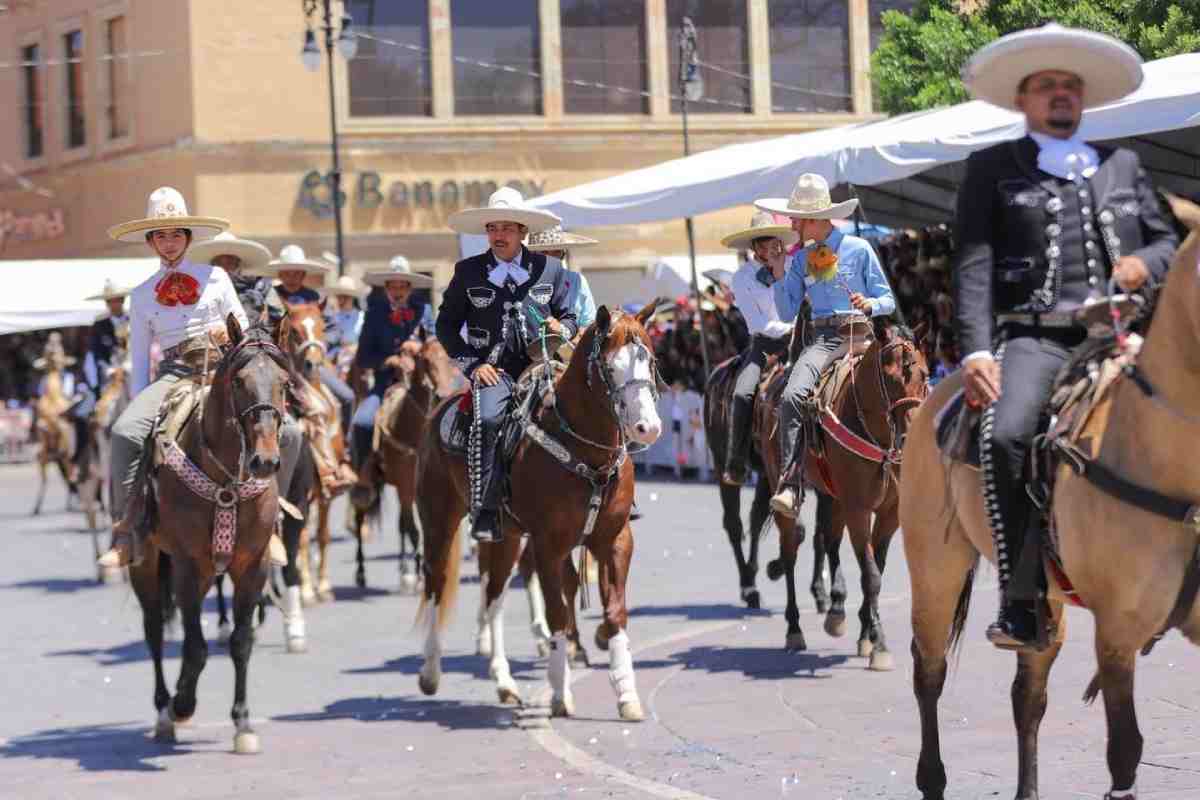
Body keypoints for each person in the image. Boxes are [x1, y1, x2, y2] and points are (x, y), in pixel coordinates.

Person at [954, 24, 1178, 649]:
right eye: (1047, 85)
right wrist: (976, 350)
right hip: (1039, 339)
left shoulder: (1122, 165)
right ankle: (1022, 601)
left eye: (1070, 86)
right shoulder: (990, 169)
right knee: (1008, 435)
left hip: (1124, 335)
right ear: (1023, 100)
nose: (1061, 94)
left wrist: (1143, 264)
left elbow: (1169, 241)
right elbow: (972, 264)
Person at [97, 187, 285, 568]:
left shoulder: (216, 277)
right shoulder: (142, 294)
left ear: (188, 237)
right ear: (151, 241)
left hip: (224, 370)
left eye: (176, 234)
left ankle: (274, 524)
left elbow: (245, 331)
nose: (169, 243)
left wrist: (226, 335)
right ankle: (127, 529)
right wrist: (139, 403)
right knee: (124, 432)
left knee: (291, 431)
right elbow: (139, 358)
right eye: (161, 235)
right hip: (174, 374)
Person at [437, 187, 575, 543]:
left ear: (522, 231)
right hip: (493, 371)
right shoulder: (468, 271)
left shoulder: (550, 269)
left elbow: (570, 317)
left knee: (589, 404)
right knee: (487, 419)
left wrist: (563, 327)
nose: (498, 235)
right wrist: (472, 366)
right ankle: (486, 510)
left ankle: (606, 492)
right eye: (492, 228)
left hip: (542, 367)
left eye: (506, 228)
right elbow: (446, 326)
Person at [756, 173, 897, 518]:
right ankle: (791, 484)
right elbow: (787, 312)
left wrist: (871, 304)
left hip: (862, 336)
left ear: (814, 220)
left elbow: (888, 300)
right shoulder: (800, 260)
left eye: (797, 218)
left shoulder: (859, 249)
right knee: (791, 396)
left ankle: (911, 466)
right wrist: (779, 272)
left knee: (903, 388)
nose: (792, 224)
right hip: (823, 340)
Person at [187, 229, 308, 506]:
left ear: (239, 263)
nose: (226, 266)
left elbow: (278, 328)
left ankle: (278, 502)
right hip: (204, 368)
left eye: (231, 261)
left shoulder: (262, 291)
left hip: (254, 368)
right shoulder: (194, 292)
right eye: (220, 261)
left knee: (292, 433)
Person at [716, 211, 799, 485]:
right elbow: (757, 322)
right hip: (766, 345)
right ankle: (736, 463)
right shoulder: (742, 277)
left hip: (801, 339)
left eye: (774, 241)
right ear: (754, 247)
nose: (771, 248)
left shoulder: (794, 265)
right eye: (763, 243)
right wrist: (790, 328)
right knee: (743, 393)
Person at [249, 245, 356, 435]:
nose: (292, 277)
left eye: (296, 273)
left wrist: (317, 344)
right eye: (287, 273)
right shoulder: (270, 296)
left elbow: (332, 329)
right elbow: (261, 325)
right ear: (280, 274)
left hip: (310, 361)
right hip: (277, 361)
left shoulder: (315, 297)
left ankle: (345, 443)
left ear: (303, 274)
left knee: (347, 397)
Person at [351, 256, 434, 468]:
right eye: (393, 286)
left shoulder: (424, 310)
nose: (398, 291)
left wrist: (420, 347)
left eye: (402, 286)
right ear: (386, 288)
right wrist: (388, 360)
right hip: (386, 382)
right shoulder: (374, 314)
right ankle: (365, 472)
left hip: (424, 382)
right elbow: (363, 357)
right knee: (362, 422)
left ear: (410, 288)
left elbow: (436, 343)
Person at [66, 280, 129, 465]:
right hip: (109, 375)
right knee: (84, 412)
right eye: (109, 301)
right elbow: (96, 354)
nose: (113, 304)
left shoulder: (134, 319)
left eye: (116, 300)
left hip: (132, 369)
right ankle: (82, 457)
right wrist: (106, 371)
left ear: (122, 300)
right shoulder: (99, 325)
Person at [525, 224, 599, 329]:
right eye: (544, 252)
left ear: (563, 254)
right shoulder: (521, 281)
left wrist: (572, 334)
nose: (552, 258)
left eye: (557, 252)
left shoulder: (576, 280)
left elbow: (589, 323)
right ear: (532, 254)